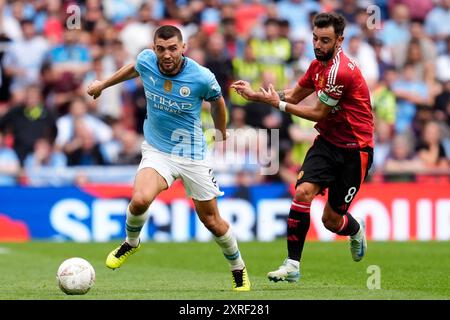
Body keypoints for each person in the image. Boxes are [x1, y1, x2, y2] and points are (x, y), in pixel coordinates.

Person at [87, 25, 250, 291]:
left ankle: (238, 267)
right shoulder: (146, 60)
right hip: (158, 150)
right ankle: (131, 242)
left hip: (192, 155)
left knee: (212, 221)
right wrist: (103, 85)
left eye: (173, 48)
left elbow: (218, 102)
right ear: (154, 49)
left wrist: (221, 132)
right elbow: (134, 68)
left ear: (183, 48)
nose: (167, 54)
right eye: (161, 49)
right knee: (139, 200)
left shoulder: (201, 76)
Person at [231, 12, 374, 283]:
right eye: (315, 39)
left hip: (356, 149)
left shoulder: (339, 71)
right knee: (303, 191)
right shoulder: (317, 65)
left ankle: (355, 230)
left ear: (339, 40)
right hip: (328, 142)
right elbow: (294, 94)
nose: (318, 45)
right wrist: (258, 96)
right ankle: (292, 264)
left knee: (332, 221)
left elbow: (318, 112)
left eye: (325, 40)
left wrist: (278, 105)